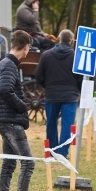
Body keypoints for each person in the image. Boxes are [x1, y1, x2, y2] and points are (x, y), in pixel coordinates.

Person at [0, 30, 42, 191]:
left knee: (9, 163)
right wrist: (22, 106)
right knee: (28, 163)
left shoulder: (6, 64)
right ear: (26, 47)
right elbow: (4, 89)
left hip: (5, 120)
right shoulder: (9, 66)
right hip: (11, 121)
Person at [34, 29, 81, 158]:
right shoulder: (76, 56)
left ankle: (51, 150)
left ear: (59, 39)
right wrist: (77, 89)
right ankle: (62, 152)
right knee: (67, 124)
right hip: (70, 96)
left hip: (51, 95)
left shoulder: (46, 55)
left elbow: (38, 75)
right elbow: (80, 78)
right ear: (71, 41)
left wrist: (47, 86)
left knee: (51, 123)